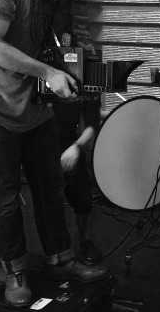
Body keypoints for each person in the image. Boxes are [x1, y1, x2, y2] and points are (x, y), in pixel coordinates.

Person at [0, 0, 109, 308]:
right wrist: (48, 73)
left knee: (50, 184)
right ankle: (15, 272)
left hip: (29, 104)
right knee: (6, 197)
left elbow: (40, 46)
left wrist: (70, 75)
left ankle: (61, 259)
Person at [53, 96, 103, 263]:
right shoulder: (46, 74)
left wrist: (77, 146)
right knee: (49, 201)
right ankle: (56, 250)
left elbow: (92, 124)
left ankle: (85, 240)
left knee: (83, 198)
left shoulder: (88, 85)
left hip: (70, 142)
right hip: (41, 141)